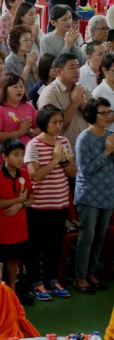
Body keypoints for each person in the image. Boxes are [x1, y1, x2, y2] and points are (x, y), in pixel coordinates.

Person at [25, 103, 76, 301]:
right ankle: (35, 283)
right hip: (38, 206)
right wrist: (55, 160)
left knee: (54, 246)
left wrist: (62, 160)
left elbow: (73, 172)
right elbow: (35, 176)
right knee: (35, 246)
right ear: (44, 122)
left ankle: (52, 280)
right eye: (54, 122)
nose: (59, 126)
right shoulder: (33, 145)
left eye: (61, 122)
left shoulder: (63, 142)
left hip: (59, 204)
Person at [72, 98, 114, 294]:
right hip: (89, 195)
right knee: (87, 237)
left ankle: (91, 273)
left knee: (100, 237)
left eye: (109, 112)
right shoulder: (84, 139)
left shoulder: (111, 135)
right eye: (103, 113)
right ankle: (80, 277)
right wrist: (106, 152)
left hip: (108, 194)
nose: (108, 116)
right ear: (91, 115)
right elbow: (85, 169)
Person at [0, 137, 34, 300]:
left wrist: (21, 205)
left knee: (14, 260)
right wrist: (18, 200)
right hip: (2, 228)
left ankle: (12, 292)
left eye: (22, 155)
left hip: (19, 227)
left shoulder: (25, 175)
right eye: (16, 155)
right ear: (4, 156)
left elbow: (31, 198)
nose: (20, 159)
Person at [38, 52, 89, 147]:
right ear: (59, 71)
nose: (77, 71)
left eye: (78, 67)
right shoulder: (49, 93)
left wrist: (84, 105)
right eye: (72, 68)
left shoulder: (82, 89)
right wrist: (74, 104)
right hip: (62, 149)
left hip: (87, 145)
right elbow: (52, 126)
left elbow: (94, 118)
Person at [0, 73, 39, 162]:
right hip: (6, 160)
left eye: (21, 86)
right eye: (15, 87)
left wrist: (30, 131)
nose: (19, 89)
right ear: (5, 89)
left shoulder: (28, 106)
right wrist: (19, 132)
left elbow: (41, 129)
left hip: (30, 157)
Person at [5, 25, 39, 93]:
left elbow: (38, 81)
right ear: (16, 42)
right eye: (25, 40)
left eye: (30, 40)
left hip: (34, 95)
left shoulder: (29, 57)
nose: (29, 42)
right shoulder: (9, 62)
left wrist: (34, 69)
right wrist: (28, 66)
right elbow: (16, 85)